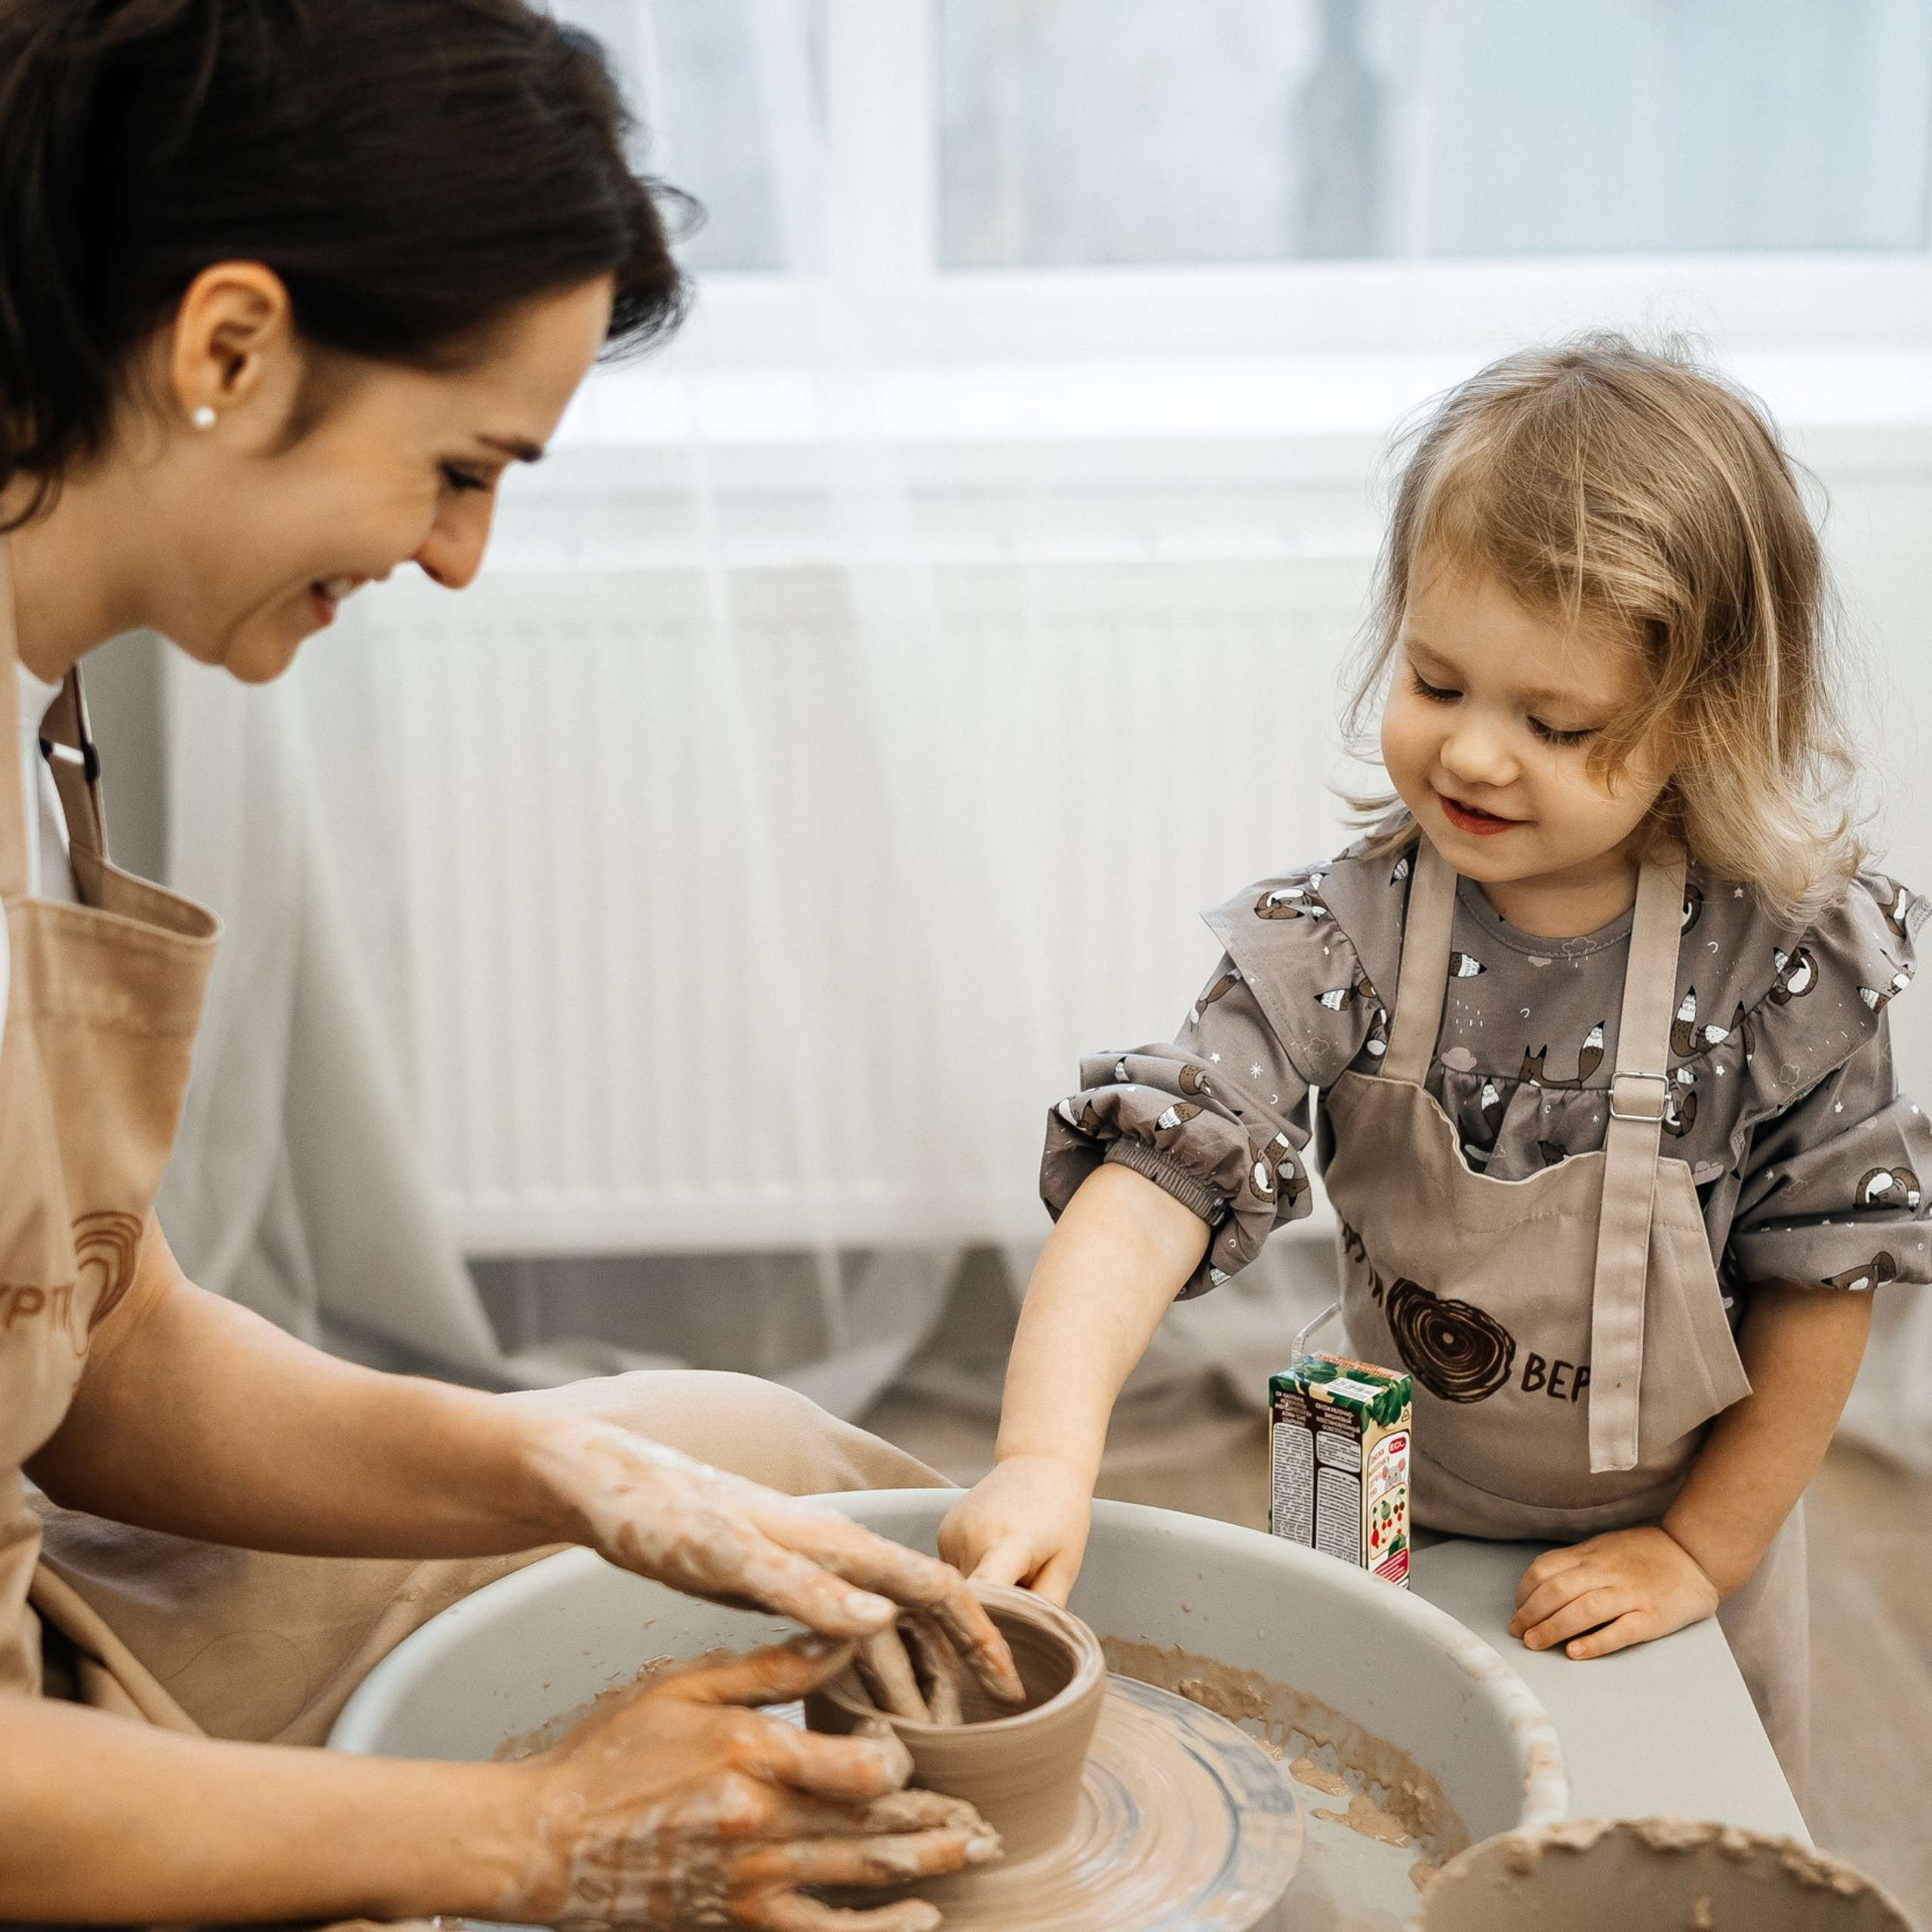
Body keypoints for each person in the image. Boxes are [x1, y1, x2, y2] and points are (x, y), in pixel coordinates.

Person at [0, 3, 1018, 1925]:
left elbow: (96, 1337)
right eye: (458, 466)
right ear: (229, 344)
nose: (463, 556)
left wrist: (564, 1460)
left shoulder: (31, 677)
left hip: (42, 1571)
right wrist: (537, 1831)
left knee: (766, 1467)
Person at [939, 334, 1932, 1788]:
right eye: (1436, 678)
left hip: (1676, 1517)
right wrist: (1039, 1452)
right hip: (1376, 1480)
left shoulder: (1778, 971)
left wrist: (1697, 1550)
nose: (1471, 755)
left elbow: (1821, 1287)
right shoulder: (1338, 939)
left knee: (1661, 1833)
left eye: (1556, 722)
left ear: (1707, 720)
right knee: (1360, 1788)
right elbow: (1155, 1182)